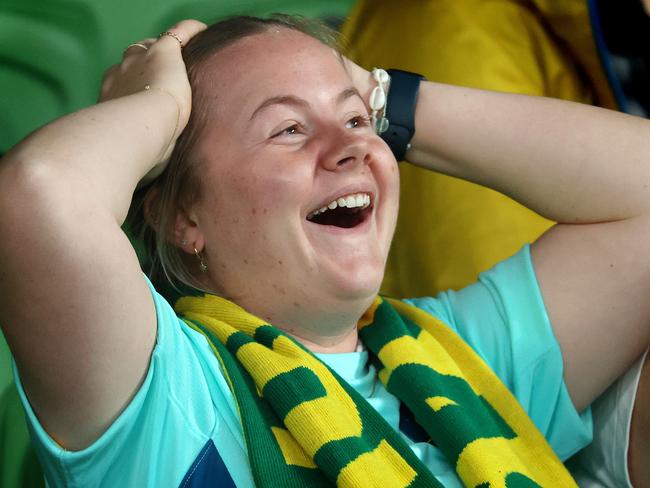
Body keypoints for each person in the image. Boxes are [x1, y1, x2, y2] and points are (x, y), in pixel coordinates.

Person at [0, 14, 648, 487]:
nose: (353, 149)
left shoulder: (464, 368)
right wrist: (161, 101)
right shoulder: (170, 404)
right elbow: (40, 196)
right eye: (287, 129)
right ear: (182, 218)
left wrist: (388, 98)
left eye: (360, 124)